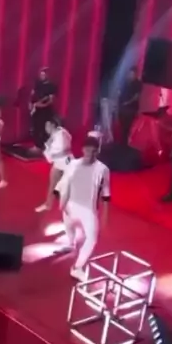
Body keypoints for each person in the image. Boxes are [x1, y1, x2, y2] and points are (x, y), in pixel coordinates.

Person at [56, 137, 111, 281]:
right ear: (82, 150)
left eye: (93, 151)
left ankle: (77, 267)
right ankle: (71, 244)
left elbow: (106, 193)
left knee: (92, 238)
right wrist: (62, 202)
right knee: (69, 228)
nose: (90, 154)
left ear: (97, 152)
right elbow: (65, 183)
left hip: (89, 210)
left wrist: (105, 215)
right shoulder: (73, 164)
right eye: (87, 150)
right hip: (71, 205)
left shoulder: (103, 169)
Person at [36, 116, 73, 212]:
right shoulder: (54, 136)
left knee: (67, 188)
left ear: (53, 125)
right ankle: (48, 204)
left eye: (47, 125)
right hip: (58, 163)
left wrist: (49, 153)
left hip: (67, 163)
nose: (46, 128)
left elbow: (63, 150)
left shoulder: (62, 134)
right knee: (52, 184)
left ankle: (69, 210)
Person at [29, 68, 57, 149]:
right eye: (41, 74)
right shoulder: (37, 83)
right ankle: (36, 145)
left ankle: (44, 146)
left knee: (44, 128)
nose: (42, 76)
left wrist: (42, 105)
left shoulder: (52, 86)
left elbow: (51, 101)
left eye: (44, 75)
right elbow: (32, 94)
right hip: (36, 110)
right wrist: (30, 103)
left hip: (45, 111)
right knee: (35, 127)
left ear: (48, 75)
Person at [117, 67, 142, 144]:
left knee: (127, 127)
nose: (131, 75)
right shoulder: (125, 82)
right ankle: (121, 141)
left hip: (131, 109)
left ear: (136, 74)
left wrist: (127, 102)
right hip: (122, 107)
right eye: (130, 74)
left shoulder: (138, 83)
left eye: (133, 74)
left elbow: (136, 97)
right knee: (121, 126)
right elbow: (119, 92)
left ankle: (125, 143)